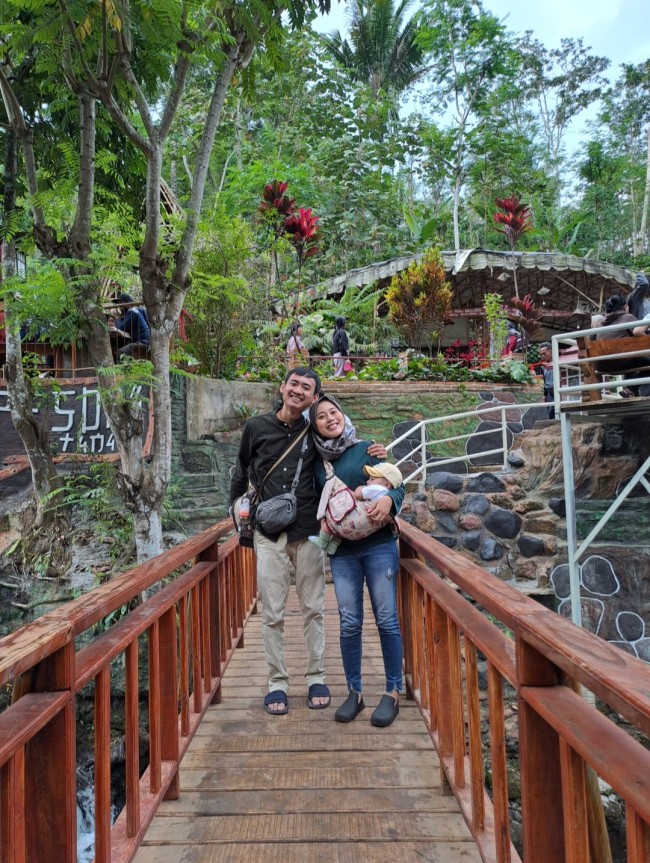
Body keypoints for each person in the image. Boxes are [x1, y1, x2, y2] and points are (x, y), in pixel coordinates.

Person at [229, 368, 386, 716]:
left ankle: (316, 676)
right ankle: (277, 683)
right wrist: (237, 519)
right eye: (294, 384)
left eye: (307, 389)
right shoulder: (255, 427)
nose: (298, 391)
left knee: (314, 608)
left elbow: (343, 448)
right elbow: (241, 472)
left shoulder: (314, 432)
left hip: (309, 533)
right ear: (283, 387)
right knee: (271, 611)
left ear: (314, 398)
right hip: (267, 532)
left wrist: (373, 451)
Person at [310, 394, 405, 728]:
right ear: (316, 426)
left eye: (333, 412)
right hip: (343, 551)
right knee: (349, 621)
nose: (330, 419)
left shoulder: (367, 448)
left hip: (379, 544)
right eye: (321, 416)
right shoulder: (317, 464)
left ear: (343, 414)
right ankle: (355, 692)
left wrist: (391, 502)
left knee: (387, 619)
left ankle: (393, 691)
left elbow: (397, 483)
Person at [309, 461, 403, 555]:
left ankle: (322, 542)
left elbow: (358, 495)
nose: (367, 481)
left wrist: (360, 488)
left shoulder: (377, 488)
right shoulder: (389, 495)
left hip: (361, 527)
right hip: (365, 534)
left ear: (387, 484)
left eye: (372, 479)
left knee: (333, 523)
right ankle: (332, 546)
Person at [594, 294, 650, 397]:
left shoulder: (599, 323)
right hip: (618, 362)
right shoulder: (628, 317)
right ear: (625, 307)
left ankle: (630, 391)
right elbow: (640, 334)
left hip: (600, 365)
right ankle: (631, 388)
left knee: (631, 356)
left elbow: (590, 341)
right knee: (635, 358)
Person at [113, 292, 150, 357]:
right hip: (143, 341)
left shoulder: (132, 311)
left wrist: (117, 318)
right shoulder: (133, 312)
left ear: (128, 302)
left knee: (120, 352)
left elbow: (121, 327)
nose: (119, 305)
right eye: (118, 303)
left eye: (120, 302)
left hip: (144, 342)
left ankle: (126, 366)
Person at [536, 342, 556, 419]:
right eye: (541, 354)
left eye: (544, 353)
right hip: (548, 392)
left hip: (556, 391)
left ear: (551, 351)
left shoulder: (558, 362)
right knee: (549, 413)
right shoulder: (544, 367)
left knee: (553, 411)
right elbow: (544, 381)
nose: (542, 356)